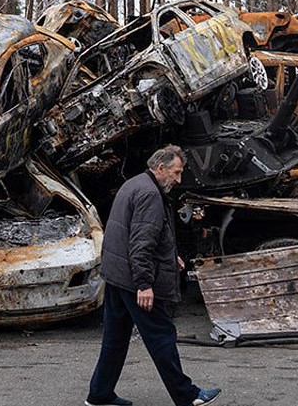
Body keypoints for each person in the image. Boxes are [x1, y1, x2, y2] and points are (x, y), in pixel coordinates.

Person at [87, 145, 220, 406]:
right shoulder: (150, 194)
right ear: (161, 168)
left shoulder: (135, 184)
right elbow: (141, 243)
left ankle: (99, 394)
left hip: (116, 275)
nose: (179, 180)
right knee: (161, 337)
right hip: (133, 279)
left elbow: (140, 233)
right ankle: (188, 396)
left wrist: (170, 256)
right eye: (176, 172)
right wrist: (145, 284)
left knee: (115, 339)